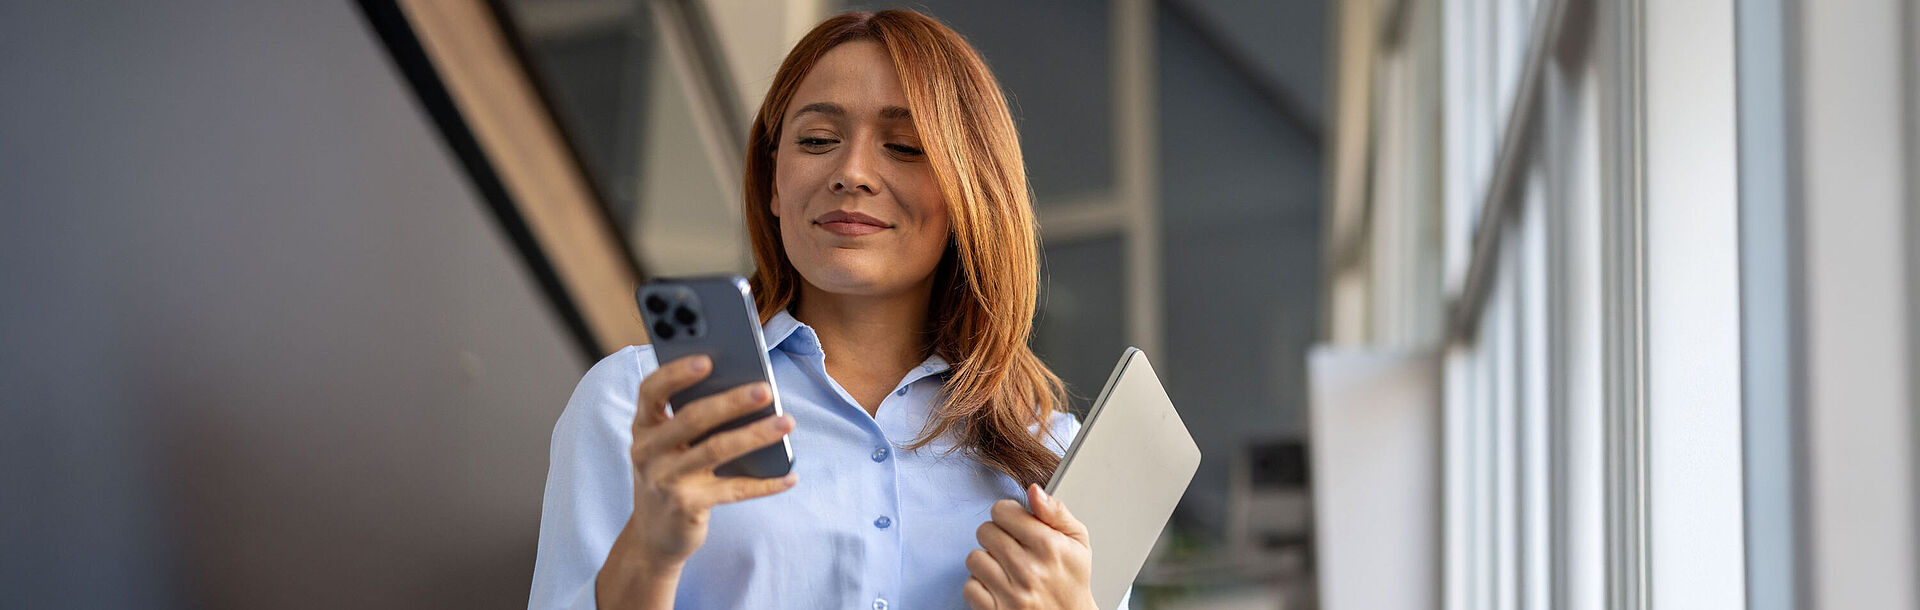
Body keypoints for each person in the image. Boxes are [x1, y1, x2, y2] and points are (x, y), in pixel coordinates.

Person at [528, 10, 1103, 610]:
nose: (851, 173)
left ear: (972, 189)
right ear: (774, 183)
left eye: (904, 146)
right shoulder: (640, 402)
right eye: (817, 141)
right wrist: (648, 556)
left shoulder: (1055, 456)